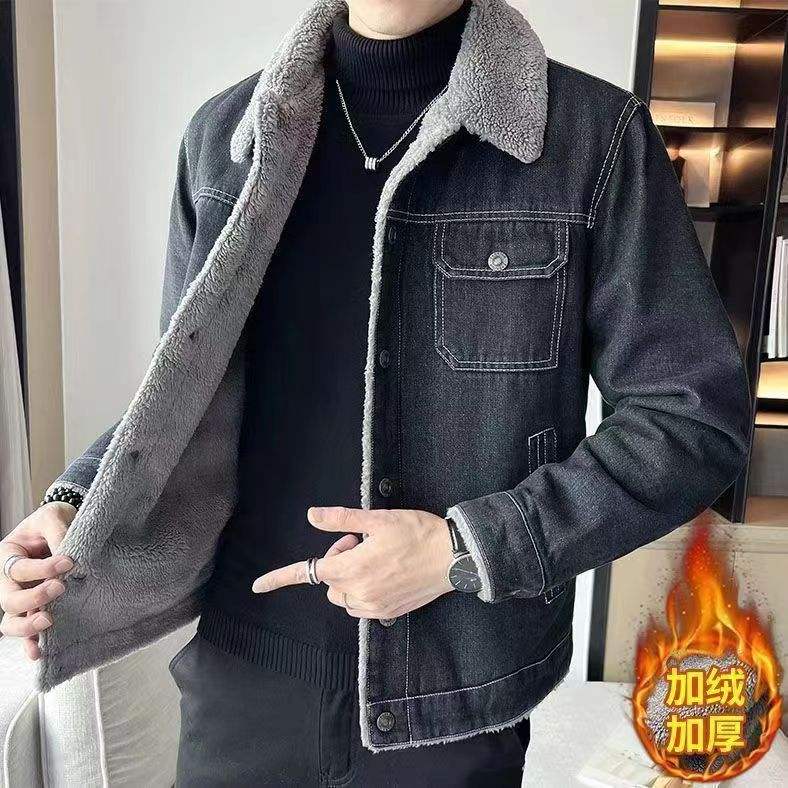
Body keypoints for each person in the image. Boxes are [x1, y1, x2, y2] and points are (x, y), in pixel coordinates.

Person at [0, 0, 751, 784]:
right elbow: (187, 400)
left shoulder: (592, 139)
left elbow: (692, 419)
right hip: (239, 683)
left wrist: (464, 550)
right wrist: (77, 502)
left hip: (453, 701)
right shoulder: (225, 140)